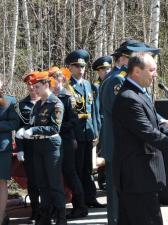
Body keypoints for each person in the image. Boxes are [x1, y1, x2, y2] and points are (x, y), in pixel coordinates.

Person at [112, 52, 168, 225]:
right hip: (136, 177)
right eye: (152, 70)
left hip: (142, 177)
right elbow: (150, 133)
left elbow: (159, 125)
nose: (155, 74)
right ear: (137, 71)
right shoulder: (128, 98)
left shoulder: (139, 93)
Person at [100, 39, 160, 225]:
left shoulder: (116, 77)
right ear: (127, 58)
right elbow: (129, 115)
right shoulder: (119, 80)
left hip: (118, 143)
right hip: (121, 145)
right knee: (120, 199)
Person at [16, 71, 66, 225]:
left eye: (37, 87)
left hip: (51, 146)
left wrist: (34, 131)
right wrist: (24, 131)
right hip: (37, 146)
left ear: (46, 85)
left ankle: (60, 217)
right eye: (33, 87)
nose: (35, 90)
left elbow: (54, 128)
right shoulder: (38, 104)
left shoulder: (56, 103)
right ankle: (45, 216)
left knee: (54, 183)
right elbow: (32, 123)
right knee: (42, 183)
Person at [48, 67, 88, 219]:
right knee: (55, 175)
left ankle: (80, 207)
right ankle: (55, 208)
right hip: (52, 141)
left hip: (66, 139)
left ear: (62, 80)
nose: (54, 82)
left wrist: (57, 129)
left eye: (57, 79)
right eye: (51, 79)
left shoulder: (70, 96)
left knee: (70, 174)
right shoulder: (48, 97)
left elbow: (77, 119)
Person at [65, 49, 103, 208]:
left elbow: (94, 110)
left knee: (89, 169)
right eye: (77, 66)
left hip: (88, 133)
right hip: (76, 135)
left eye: (83, 66)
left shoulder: (88, 85)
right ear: (71, 68)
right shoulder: (68, 86)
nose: (81, 70)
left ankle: (91, 198)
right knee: (77, 170)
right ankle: (79, 202)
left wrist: (96, 131)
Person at [14, 72, 41, 221]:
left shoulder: (47, 101)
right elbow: (18, 129)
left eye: (34, 84)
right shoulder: (21, 105)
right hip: (30, 148)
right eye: (29, 84)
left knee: (47, 180)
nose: (31, 87)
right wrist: (20, 148)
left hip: (46, 147)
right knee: (32, 181)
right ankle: (35, 211)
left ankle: (48, 210)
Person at [92, 56, 113, 190]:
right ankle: (103, 179)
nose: (106, 72)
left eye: (107, 69)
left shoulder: (112, 82)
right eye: (103, 70)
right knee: (102, 152)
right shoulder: (96, 87)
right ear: (98, 71)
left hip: (111, 122)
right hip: (101, 122)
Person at [0, 80, 20, 225]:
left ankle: (1, 218)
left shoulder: (10, 101)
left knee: (1, 183)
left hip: (2, 148)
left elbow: (15, 123)